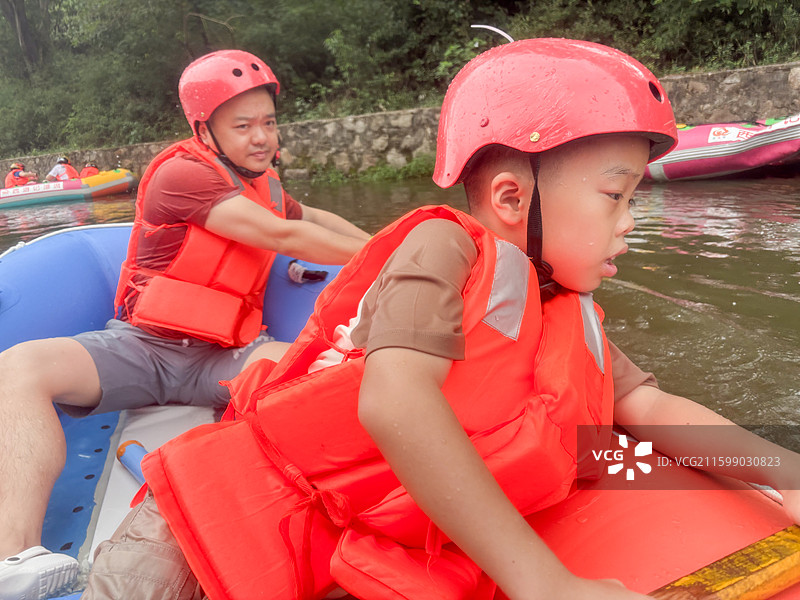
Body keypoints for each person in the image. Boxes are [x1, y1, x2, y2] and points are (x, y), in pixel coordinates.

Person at [81, 40, 800, 600]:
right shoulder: (446, 247)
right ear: (515, 201)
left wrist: (781, 474)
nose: (629, 224)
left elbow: (645, 406)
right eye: (617, 197)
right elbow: (395, 402)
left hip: (378, 539)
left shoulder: (567, 310)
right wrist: (544, 581)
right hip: (238, 513)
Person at [0, 49, 370, 600]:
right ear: (206, 129)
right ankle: (15, 554)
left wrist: (391, 242)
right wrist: (382, 257)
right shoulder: (181, 174)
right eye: (242, 126)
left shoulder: (265, 186)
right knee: (20, 367)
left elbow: (310, 219)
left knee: (313, 374)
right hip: (144, 346)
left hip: (226, 355)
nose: (262, 137)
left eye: (268, 122)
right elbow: (285, 238)